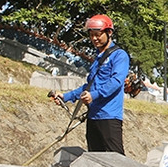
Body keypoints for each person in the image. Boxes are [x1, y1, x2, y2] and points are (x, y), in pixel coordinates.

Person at [51, 14, 130, 154]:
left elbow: (116, 82)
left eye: (98, 35)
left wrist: (94, 95)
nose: (94, 39)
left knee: (117, 161)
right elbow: (89, 85)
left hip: (109, 117)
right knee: (94, 160)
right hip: (93, 116)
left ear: (109, 32)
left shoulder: (119, 55)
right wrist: (66, 96)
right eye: (92, 35)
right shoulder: (97, 58)